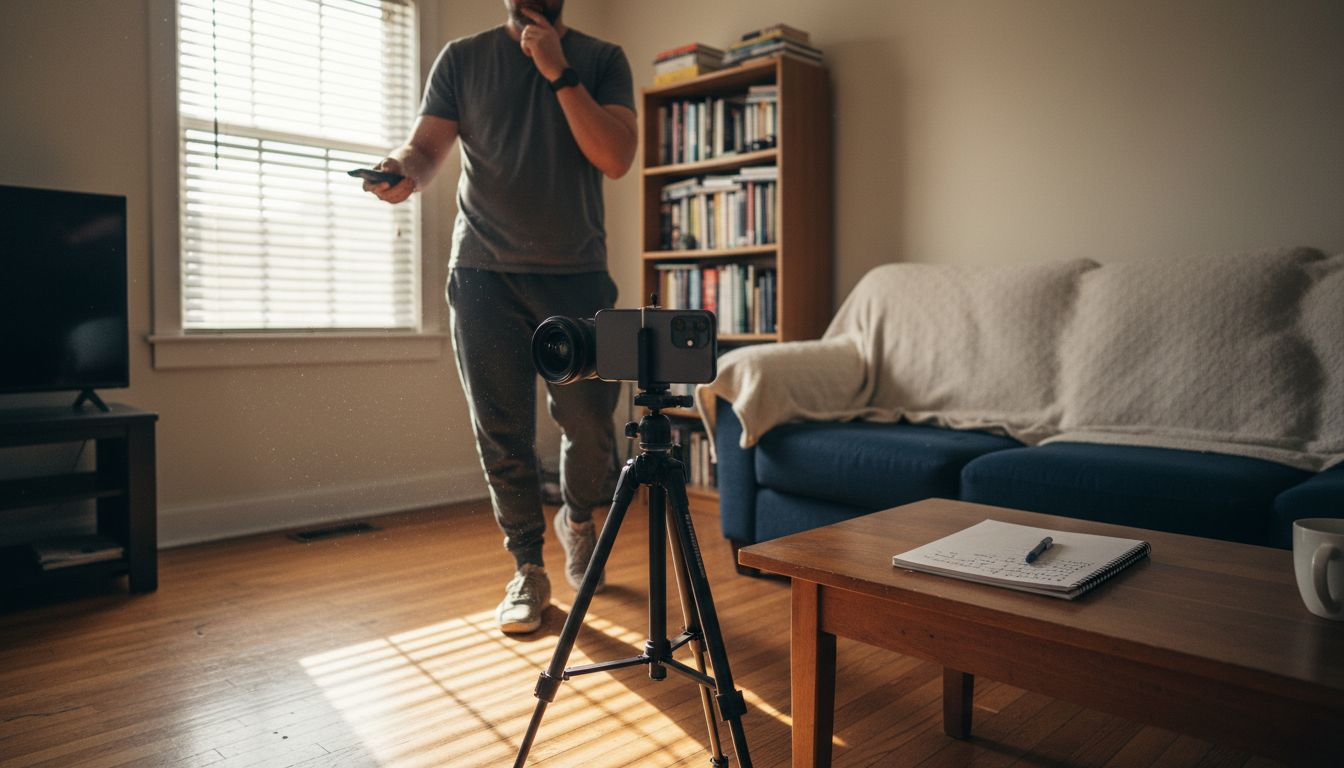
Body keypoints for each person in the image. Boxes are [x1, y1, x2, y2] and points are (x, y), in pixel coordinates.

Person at [364, 0, 637, 634]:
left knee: (592, 422)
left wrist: (558, 71)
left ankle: (577, 517)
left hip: (578, 275)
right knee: (502, 431)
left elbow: (615, 157)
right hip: (484, 274)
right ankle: (528, 570)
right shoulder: (463, 58)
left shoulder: (601, 59)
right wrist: (402, 170)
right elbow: (427, 149)